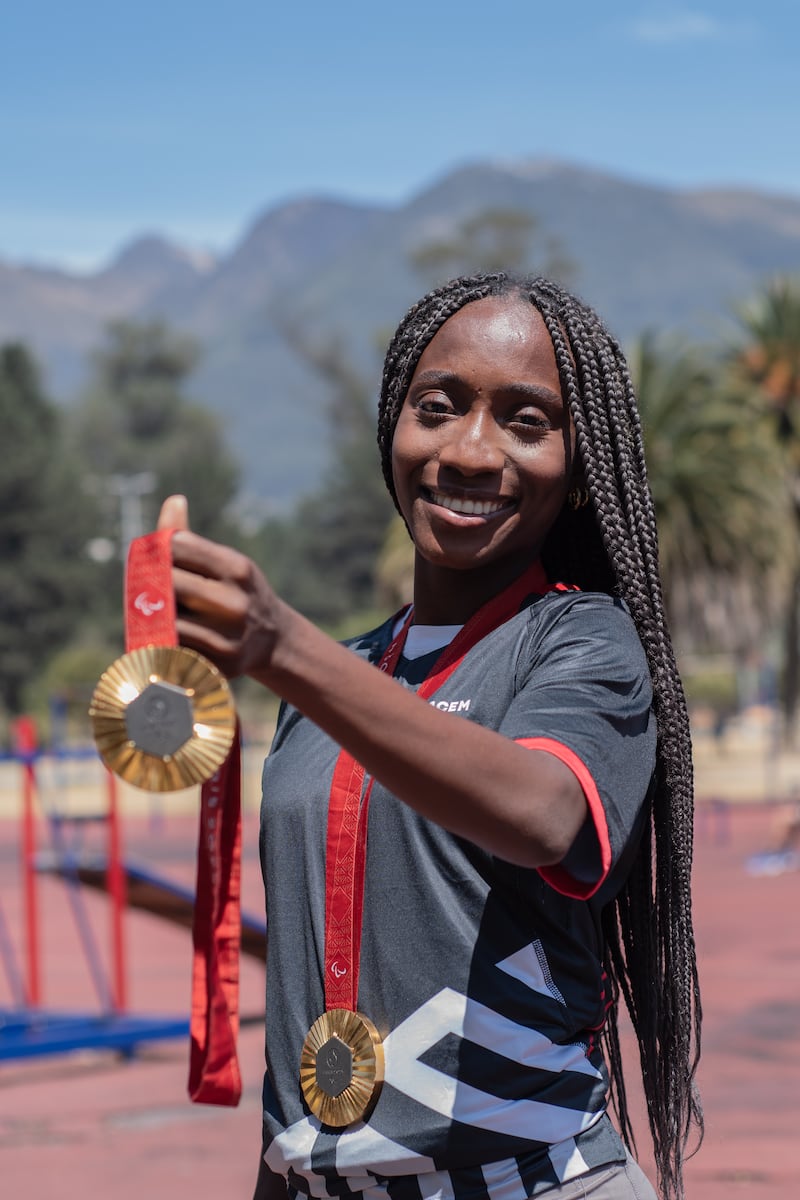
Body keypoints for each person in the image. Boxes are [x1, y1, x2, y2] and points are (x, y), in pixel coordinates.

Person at [158, 272, 702, 1200]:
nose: (469, 450)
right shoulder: (334, 684)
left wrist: (283, 646)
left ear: (577, 474)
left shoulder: (583, 642)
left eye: (527, 422)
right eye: (437, 408)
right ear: (392, 431)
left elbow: (540, 814)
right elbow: (306, 991)